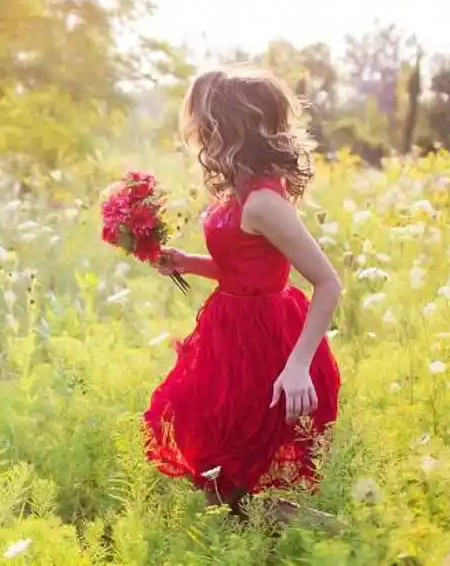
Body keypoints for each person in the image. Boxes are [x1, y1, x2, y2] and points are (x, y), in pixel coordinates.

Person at [142, 66, 343, 527]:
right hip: (228, 337)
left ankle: (343, 538)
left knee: (234, 482)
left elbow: (328, 282)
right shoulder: (240, 190)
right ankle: (265, 545)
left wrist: (296, 366)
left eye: (202, 121)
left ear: (226, 127)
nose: (196, 131)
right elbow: (245, 271)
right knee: (218, 475)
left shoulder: (263, 202)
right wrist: (187, 263)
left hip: (267, 347)